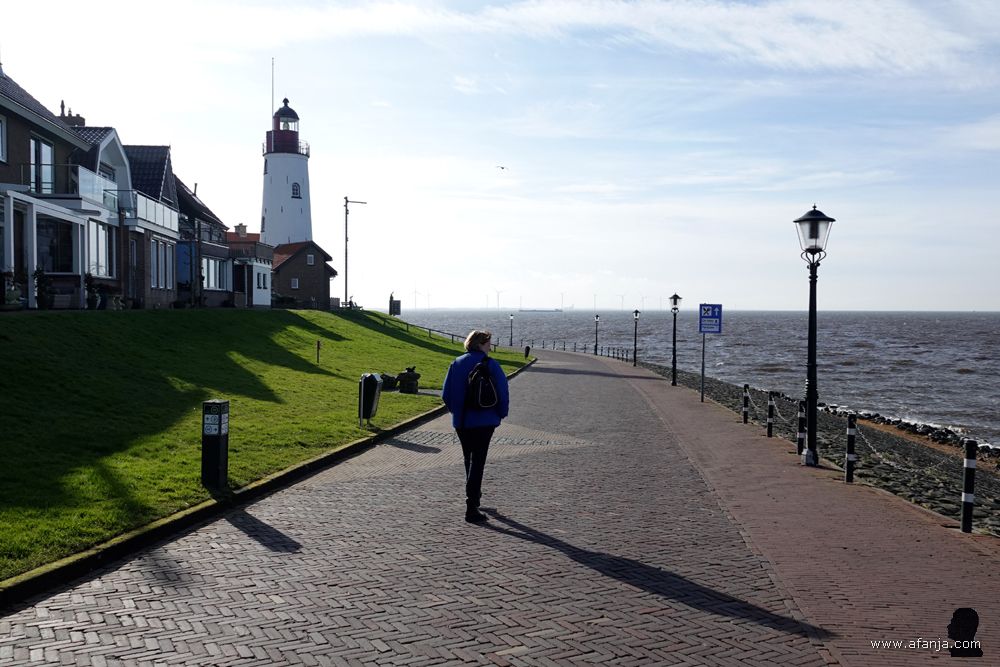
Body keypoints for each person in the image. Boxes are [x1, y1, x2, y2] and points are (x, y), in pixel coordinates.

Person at [442, 330, 510, 523]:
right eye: (489, 342)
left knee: (468, 459)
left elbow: (446, 394)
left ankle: (474, 497)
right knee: (478, 461)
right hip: (485, 421)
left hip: (462, 422)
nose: (490, 346)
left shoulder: (457, 363)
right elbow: (503, 392)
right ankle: (471, 507)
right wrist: (501, 413)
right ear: (481, 344)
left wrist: (457, 411)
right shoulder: (492, 365)